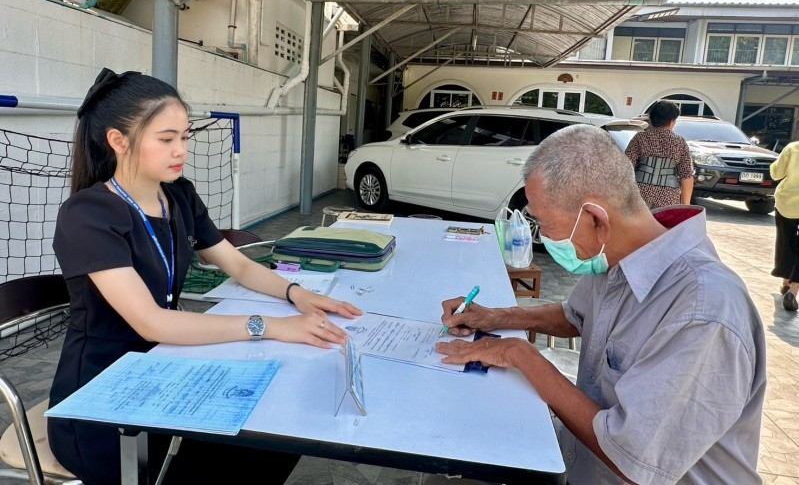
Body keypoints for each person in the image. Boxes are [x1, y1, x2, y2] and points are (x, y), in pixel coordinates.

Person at [48, 68, 363, 485]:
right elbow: (151, 322)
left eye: (185, 136)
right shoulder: (88, 214)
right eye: (166, 139)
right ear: (118, 141)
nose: (180, 150)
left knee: (280, 437)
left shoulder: (177, 195)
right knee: (253, 453)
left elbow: (239, 265)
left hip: (171, 366)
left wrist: (296, 293)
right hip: (104, 400)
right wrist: (270, 327)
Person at [436, 124, 766, 485]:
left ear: (596, 220)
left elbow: (629, 458)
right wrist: (496, 317)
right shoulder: (618, 254)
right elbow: (574, 316)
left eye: (546, 225)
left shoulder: (704, 311)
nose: (543, 237)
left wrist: (520, 355)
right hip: (582, 464)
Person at [625, 100, 694, 209]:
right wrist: (685, 207)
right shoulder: (679, 142)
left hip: (640, 195)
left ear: (652, 119)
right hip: (668, 199)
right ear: (672, 121)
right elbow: (687, 176)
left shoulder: (640, 138)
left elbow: (626, 167)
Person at [770, 140, 799, 311]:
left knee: (785, 242)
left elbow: (776, 174)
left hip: (786, 202)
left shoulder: (793, 148)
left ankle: (786, 282)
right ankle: (793, 289)